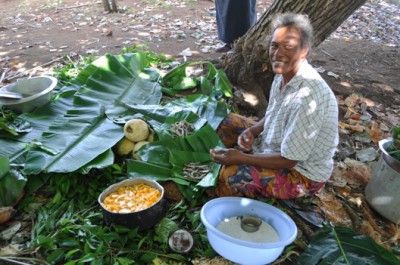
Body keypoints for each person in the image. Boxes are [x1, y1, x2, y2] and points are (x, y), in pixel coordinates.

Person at [210, 13, 339, 200]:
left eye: (288, 47)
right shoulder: (282, 74)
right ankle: (242, 157)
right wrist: (253, 132)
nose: (278, 54)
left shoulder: (308, 97)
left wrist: (242, 158)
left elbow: (288, 161)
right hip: (274, 147)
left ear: (304, 51)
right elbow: (275, 113)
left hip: (301, 174)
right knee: (226, 122)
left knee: (231, 175)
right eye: (274, 46)